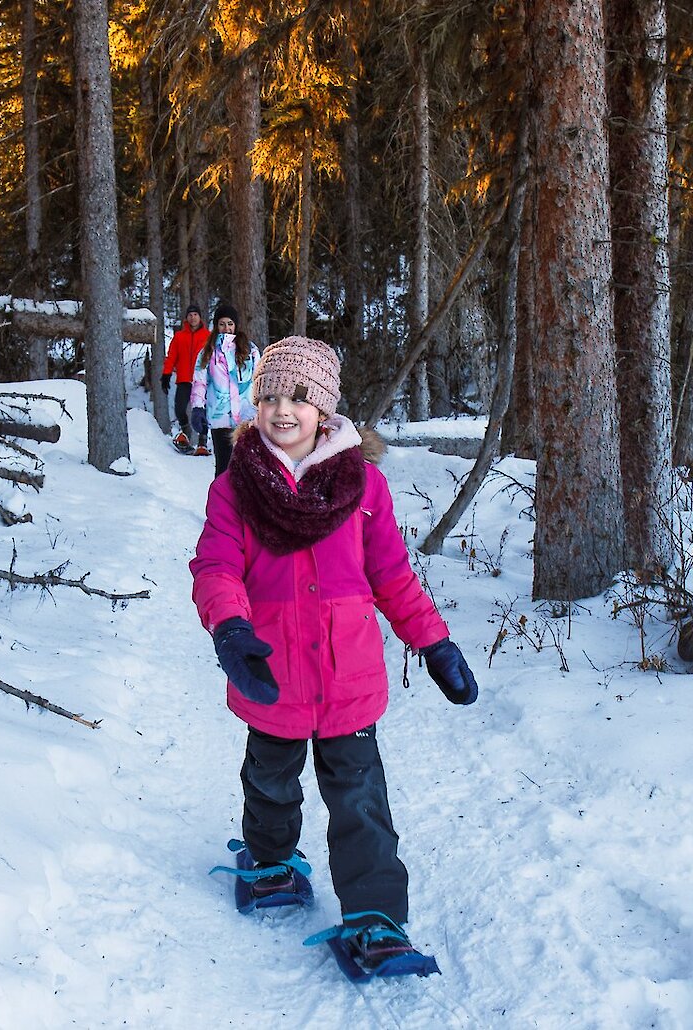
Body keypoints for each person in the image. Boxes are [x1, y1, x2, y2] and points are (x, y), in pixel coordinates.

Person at [188, 336, 480, 976]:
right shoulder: (237, 489)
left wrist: (433, 641)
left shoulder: (365, 486)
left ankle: (376, 917)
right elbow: (215, 567)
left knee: (360, 801)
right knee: (269, 781)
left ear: (325, 409)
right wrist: (231, 629)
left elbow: (393, 577)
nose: (281, 410)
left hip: (348, 679)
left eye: (298, 397)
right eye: (267, 397)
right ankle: (271, 859)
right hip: (271, 674)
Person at [188, 303, 257, 471]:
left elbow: (259, 380)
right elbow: (200, 382)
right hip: (220, 417)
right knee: (223, 468)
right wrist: (198, 408)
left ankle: (242, 499)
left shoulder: (250, 350)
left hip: (246, 417)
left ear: (236, 325)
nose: (226, 328)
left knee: (245, 469)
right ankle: (219, 498)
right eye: (222, 324)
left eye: (230, 324)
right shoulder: (208, 352)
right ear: (216, 326)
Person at [161, 305, 210, 451]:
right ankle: (186, 433)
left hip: (202, 381)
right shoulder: (179, 336)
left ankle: (202, 441)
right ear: (186, 318)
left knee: (203, 411)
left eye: (195, 314)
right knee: (179, 409)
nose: (193, 317)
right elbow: (171, 357)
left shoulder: (208, 336)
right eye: (190, 315)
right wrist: (166, 374)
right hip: (184, 379)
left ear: (200, 317)